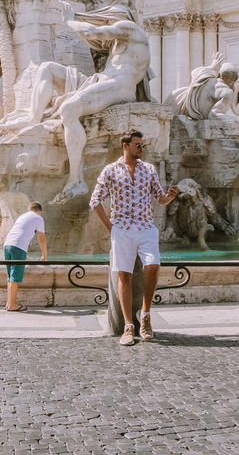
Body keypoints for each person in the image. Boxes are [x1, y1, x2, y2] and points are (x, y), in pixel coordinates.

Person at [90, 131, 178, 346]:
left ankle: (145, 315)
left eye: (142, 145)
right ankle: (129, 326)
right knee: (124, 276)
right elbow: (95, 201)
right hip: (122, 229)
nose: (141, 149)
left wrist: (170, 196)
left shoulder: (149, 169)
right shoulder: (110, 170)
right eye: (137, 145)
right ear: (125, 145)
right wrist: (110, 227)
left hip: (146, 226)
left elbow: (160, 198)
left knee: (153, 266)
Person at [3, 201, 47, 312]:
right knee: (14, 278)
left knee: (10, 278)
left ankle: (9, 304)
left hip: (7, 245)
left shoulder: (22, 216)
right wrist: (44, 256)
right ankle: (12, 305)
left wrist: (24, 255)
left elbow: (20, 233)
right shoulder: (38, 218)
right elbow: (42, 239)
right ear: (39, 211)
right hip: (17, 248)